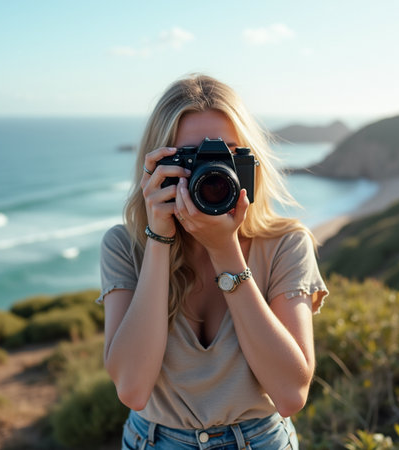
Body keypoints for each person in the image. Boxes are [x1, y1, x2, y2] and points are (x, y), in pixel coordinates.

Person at [96, 74, 328, 449]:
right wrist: (159, 240)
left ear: (250, 163)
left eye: (227, 155)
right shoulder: (125, 247)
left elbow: (290, 395)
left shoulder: (286, 244)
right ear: (156, 166)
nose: (212, 173)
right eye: (191, 158)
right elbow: (133, 390)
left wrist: (226, 251)